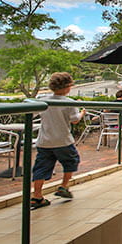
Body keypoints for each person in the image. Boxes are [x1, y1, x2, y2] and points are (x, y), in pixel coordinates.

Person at [30, 72, 86, 209]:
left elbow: (32, 113)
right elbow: (75, 120)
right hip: (63, 141)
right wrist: (82, 112)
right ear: (67, 87)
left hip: (44, 141)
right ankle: (64, 186)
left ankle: (37, 196)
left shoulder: (44, 101)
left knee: (41, 168)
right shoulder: (69, 103)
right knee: (71, 161)